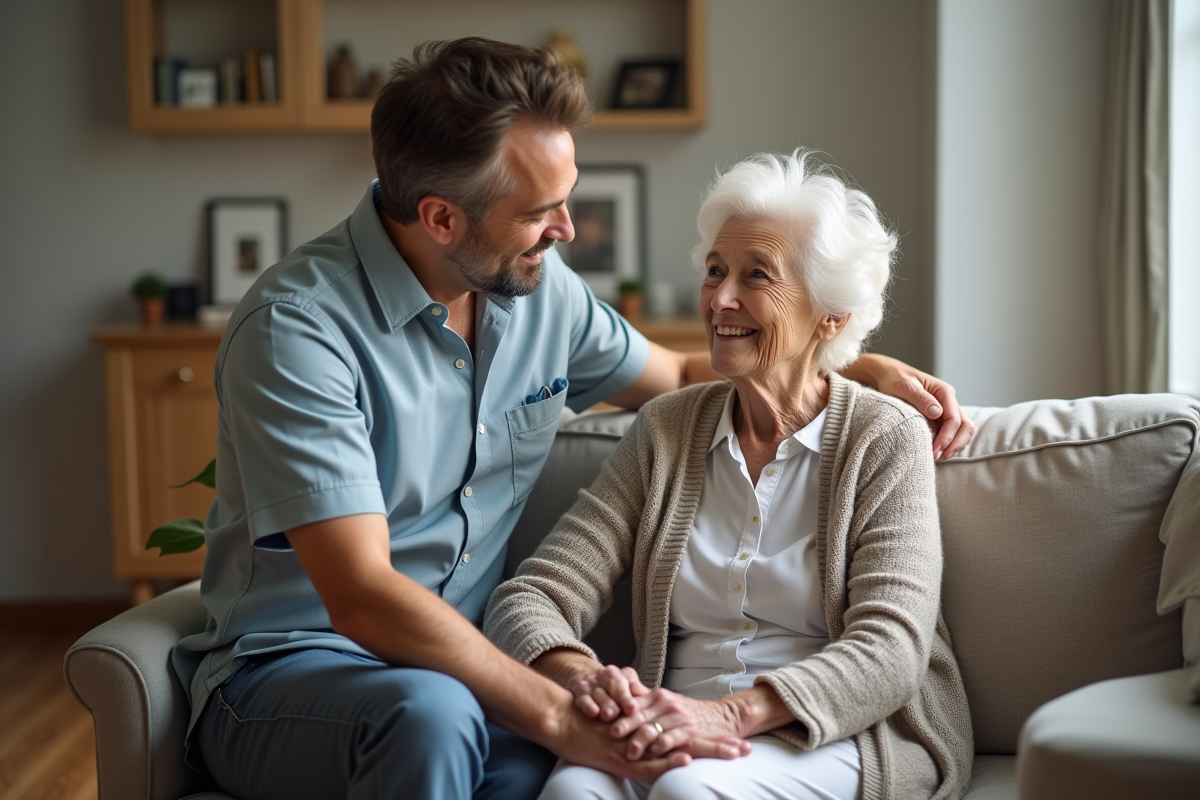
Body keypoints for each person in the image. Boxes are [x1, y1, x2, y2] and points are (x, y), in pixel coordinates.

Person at [173, 38, 973, 800]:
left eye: (568, 199)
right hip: (291, 675)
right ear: (443, 218)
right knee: (443, 718)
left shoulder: (537, 290)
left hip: (469, 678)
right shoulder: (299, 329)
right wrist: (558, 712)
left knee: (542, 778)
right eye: (540, 212)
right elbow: (362, 596)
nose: (565, 231)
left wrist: (836, 361)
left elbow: (686, 374)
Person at [485, 151, 974, 800]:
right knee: (573, 793)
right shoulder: (665, 431)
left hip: (829, 731)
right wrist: (589, 684)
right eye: (715, 270)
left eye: (756, 276)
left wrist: (725, 715)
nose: (719, 299)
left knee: (686, 792)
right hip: (669, 719)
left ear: (830, 316)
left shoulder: (883, 438)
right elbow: (531, 596)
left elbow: (891, 649)